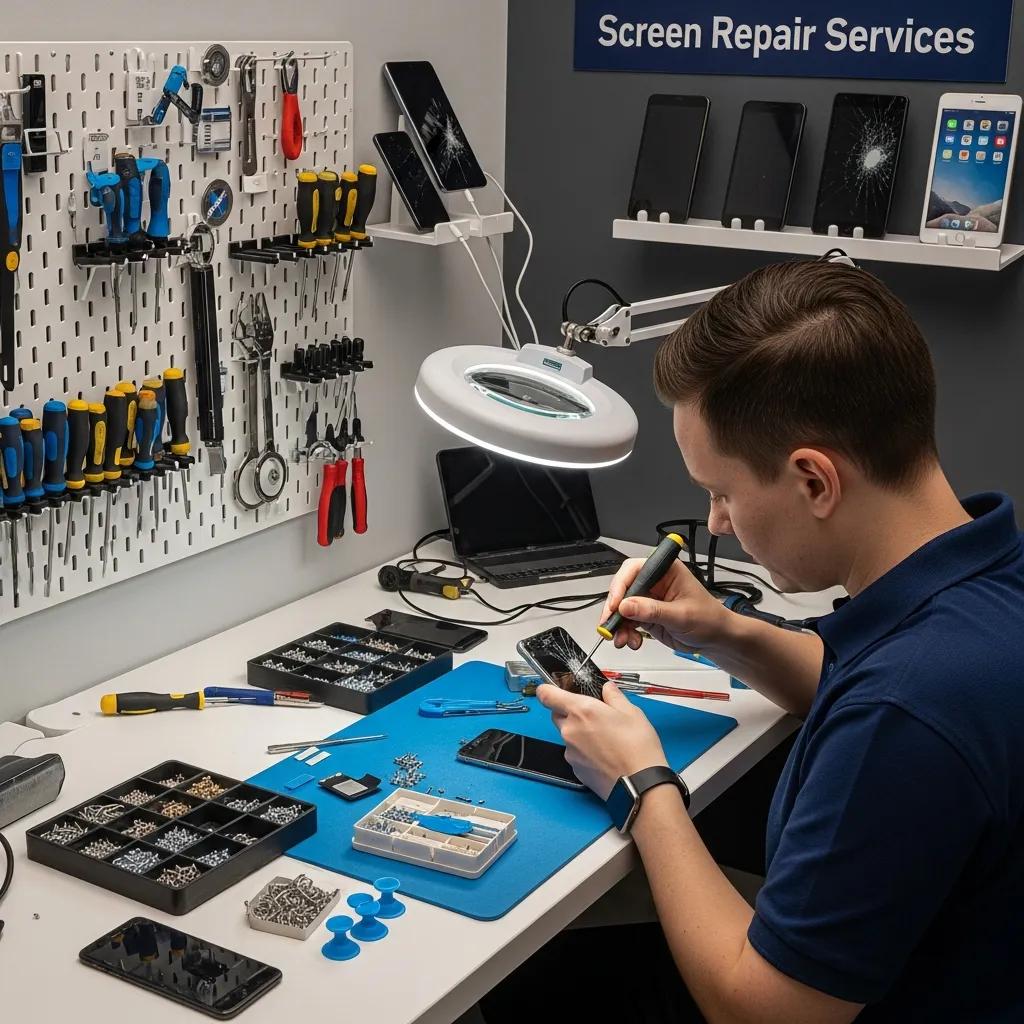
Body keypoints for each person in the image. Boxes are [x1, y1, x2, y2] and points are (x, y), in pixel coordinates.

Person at [481, 260, 1024, 1023]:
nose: (718, 525)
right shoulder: (985, 578)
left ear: (814, 481)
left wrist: (640, 785)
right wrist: (725, 632)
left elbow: (763, 1013)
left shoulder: (906, 711)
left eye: (723, 492)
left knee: (524, 985)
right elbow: (853, 682)